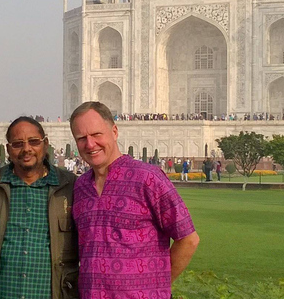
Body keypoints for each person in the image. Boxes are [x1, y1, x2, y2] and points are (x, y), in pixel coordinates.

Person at [69, 101, 199, 298]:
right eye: (81, 138)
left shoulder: (147, 178)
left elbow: (188, 239)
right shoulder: (81, 187)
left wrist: (157, 287)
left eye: (96, 135)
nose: (90, 144)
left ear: (114, 131)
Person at [0, 116, 78, 299]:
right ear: (8, 149)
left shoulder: (69, 186)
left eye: (34, 142)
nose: (27, 149)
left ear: (45, 144)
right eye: (18, 144)